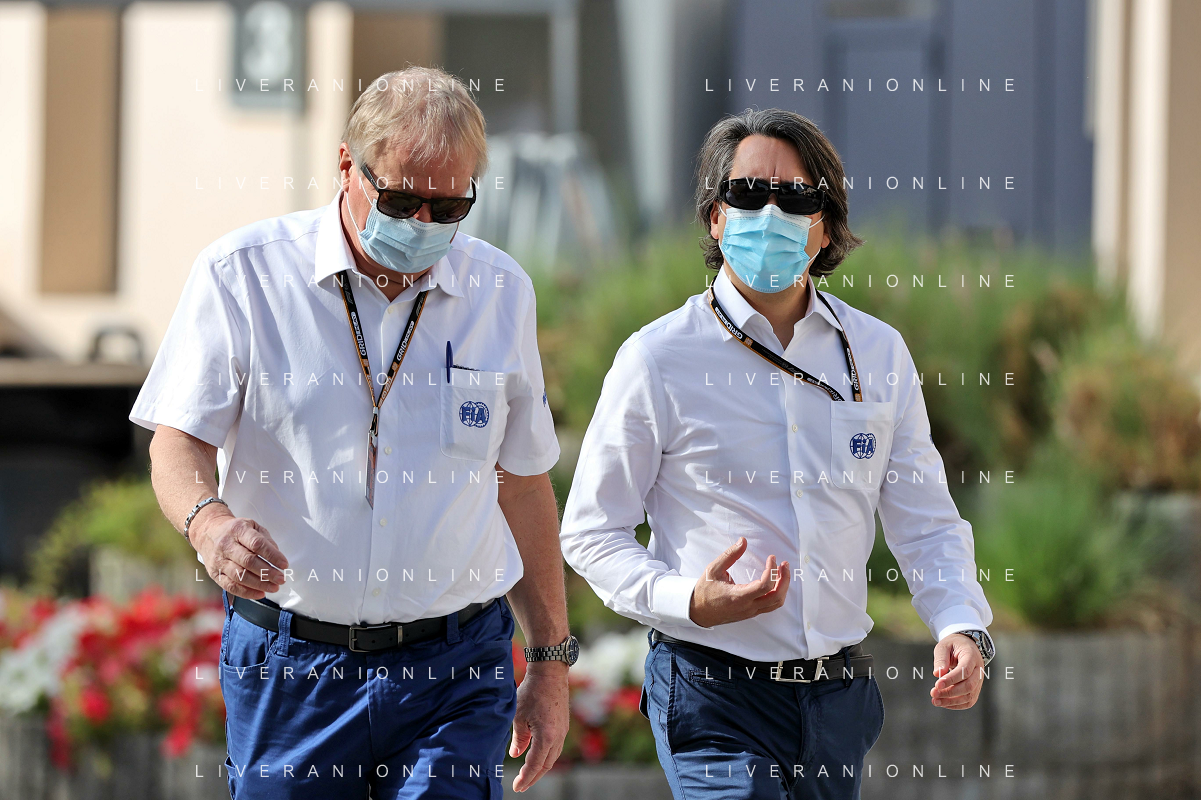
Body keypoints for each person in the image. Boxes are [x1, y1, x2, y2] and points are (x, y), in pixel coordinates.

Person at [131, 67, 577, 799]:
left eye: (449, 206)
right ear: (347, 165)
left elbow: (522, 483)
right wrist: (209, 526)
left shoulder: (501, 292)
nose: (423, 223)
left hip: (455, 667)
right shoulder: (242, 275)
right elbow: (176, 442)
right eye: (401, 200)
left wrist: (550, 663)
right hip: (292, 667)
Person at [559, 108, 995, 800]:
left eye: (794, 196)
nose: (769, 212)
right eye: (746, 194)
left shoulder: (876, 352)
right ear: (715, 217)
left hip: (838, 702)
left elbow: (926, 520)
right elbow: (591, 532)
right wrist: (687, 600)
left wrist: (961, 623)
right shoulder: (656, 359)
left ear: (825, 224)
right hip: (711, 694)